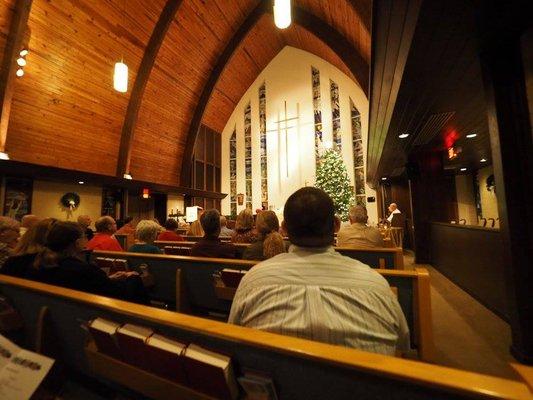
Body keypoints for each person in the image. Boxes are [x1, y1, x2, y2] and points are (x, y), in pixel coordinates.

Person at [229, 187, 409, 355]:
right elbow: (402, 346)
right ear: (337, 226)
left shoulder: (253, 281)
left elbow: (234, 341)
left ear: (284, 228)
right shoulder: (376, 286)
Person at [32, 221, 148, 304]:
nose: (87, 240)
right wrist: (133, 277)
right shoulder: (82, 269)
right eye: (85, 237)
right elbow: (116, 293)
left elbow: (92, 284)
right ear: (77, 243)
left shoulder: (39, 264)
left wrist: (108, 279)